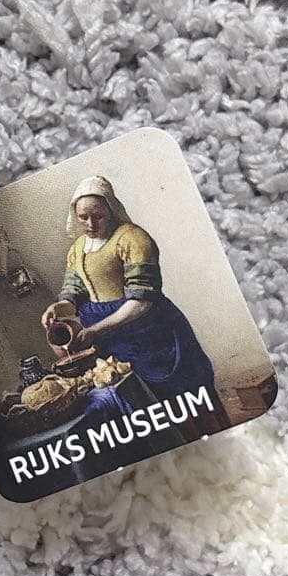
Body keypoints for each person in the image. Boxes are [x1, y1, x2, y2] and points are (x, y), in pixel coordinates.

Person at [41, 175, 225, 428]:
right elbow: (74, 294)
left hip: (148, 330)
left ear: (110, 209)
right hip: (110, 341)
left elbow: (142, 300)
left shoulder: (133, 238)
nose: (90, 223)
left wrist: (95, 330)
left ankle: (213, 431)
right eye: (83, 217)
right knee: (143, 402)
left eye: (98, 216)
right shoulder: (77, 248)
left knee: (186, 392)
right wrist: (57, 308)